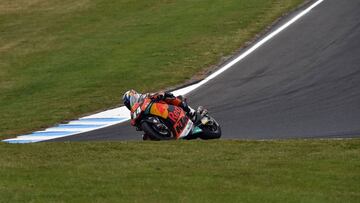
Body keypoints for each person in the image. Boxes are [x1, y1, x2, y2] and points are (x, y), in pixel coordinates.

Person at [122, 89, 198, 120]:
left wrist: (158, 95)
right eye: (129, 104)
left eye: (131, 100)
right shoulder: (135, 113)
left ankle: (189, 111)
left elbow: (154, 94)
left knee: (167, 96)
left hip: (162, 106)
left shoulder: (143, 96)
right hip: (157, 115)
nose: (131, 104)